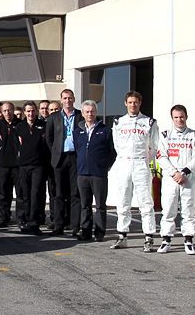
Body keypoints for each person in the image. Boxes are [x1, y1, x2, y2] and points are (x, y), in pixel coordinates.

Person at [110, 91, 158, 251]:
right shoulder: (118, 122)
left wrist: (144, 161)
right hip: (123, 163)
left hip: (141, 164)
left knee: (145, 202)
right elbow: (116, 145)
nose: (133, 105)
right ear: (125, 103)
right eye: (130, 102)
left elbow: (154, 146)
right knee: (123, 201)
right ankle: (122, 235)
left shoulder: (149, 122)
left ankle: (149, 237)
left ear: (140, 103)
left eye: (135, 102)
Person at [155, 104, 195, 255]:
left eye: (181, 117)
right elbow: (161, 156)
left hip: (188, 178)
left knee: (189, 209)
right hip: (171, 178)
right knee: (168, 209)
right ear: (172, 118)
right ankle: (166, 239)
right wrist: (174, 172)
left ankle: (188, 240)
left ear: (186, 117)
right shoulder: (165, 135)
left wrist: (184, 172)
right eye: (176, 117)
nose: (179, 120)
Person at [73, 100, 115, 242]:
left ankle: (99, 233)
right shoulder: (77, 131)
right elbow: (76, 151)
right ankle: (85, 232)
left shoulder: (105, 130)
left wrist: (104, 166)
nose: (90, 114)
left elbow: (112, 153)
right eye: (87, 111)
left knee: (100, 205)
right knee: (85, 205)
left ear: (96, 112)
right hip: (82, 174)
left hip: (99, 174)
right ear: (83, 114)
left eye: (92, 111)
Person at [46, 89, 83, 237]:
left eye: (70, 98)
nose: (67, 101)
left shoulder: (80, 115)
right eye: (65, 98)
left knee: (75, 193)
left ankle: (75, 226)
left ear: (74, 99)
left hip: (75, 157)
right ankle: (59, 225)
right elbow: (49, 138)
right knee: (59, 193)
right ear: (61, 100)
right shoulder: (54, 117)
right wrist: (56, 151)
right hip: (59, 159)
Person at [14, 101, 49, 234]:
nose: (31, 113)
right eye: (28, 111)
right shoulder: (19, 127)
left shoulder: (43, 126)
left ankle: (34, 222)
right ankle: (25, 221)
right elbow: (16, 146)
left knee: (35, 194)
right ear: (24, 112)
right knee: (24, 194)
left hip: (38, 166)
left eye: (33, 111)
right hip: (23, 166)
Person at [0, 102, 21, 228]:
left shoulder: (20, 124)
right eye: (4, 111)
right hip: (3, 164)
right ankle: (4, 217)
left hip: (18, 164)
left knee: (20, 193)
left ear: (13, 110)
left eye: (9, 110)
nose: (7, 113)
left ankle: (21, 218)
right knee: (4, 193)